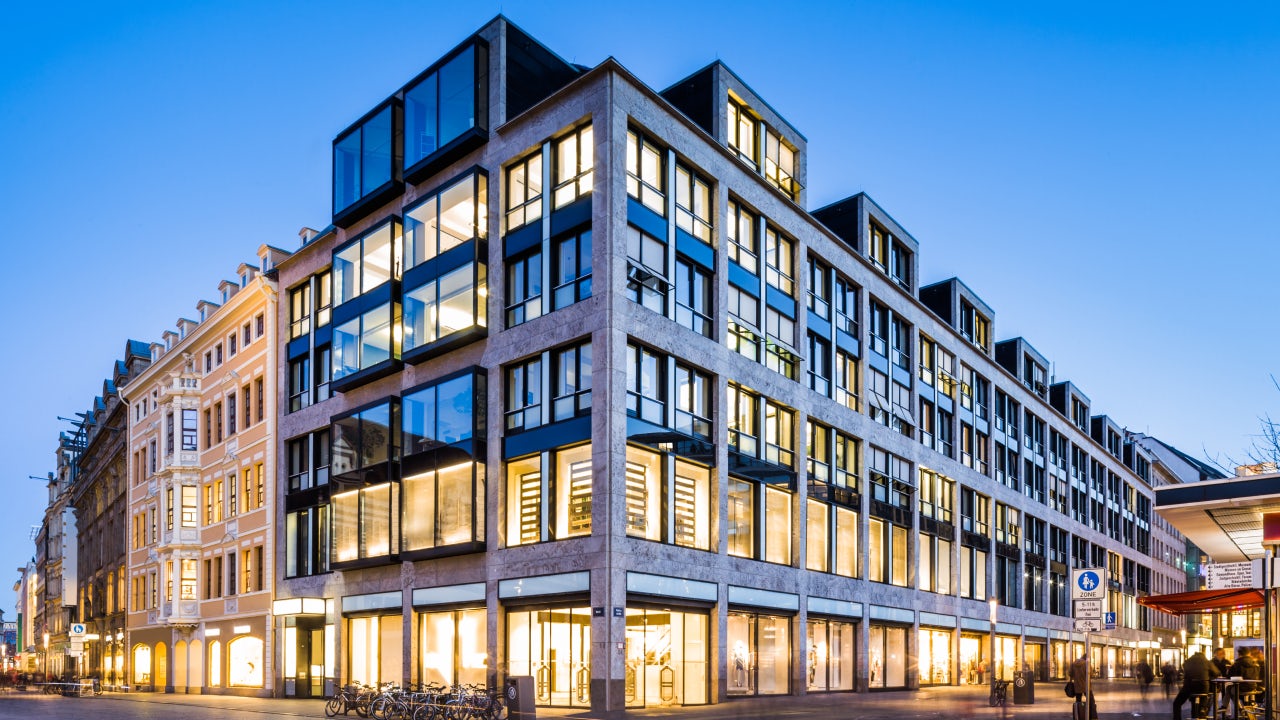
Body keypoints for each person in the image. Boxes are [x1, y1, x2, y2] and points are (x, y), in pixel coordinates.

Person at [1173, 649, 1218, 720]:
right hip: (1203, 687)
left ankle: (1178, 718)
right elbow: (1217, 673)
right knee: (1204, 696)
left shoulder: (1188, 662)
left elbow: (1185, 670)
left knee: (1176, 703)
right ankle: (1202, 711)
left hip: (1189, 687)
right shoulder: (1207, 662)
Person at [1071, 655, 1098, 720]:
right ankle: (1093, 717)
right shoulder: (1087, 664)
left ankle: (1078, 716)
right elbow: (1090, 674)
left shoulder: (1074, 664)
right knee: (1091, 701)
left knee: (1078, 701)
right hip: (1086, 686)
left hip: (1077, 685)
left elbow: (1070, 673)